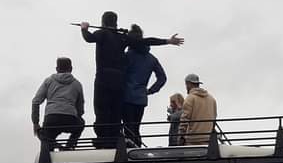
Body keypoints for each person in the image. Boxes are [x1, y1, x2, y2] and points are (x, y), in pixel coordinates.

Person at [80, 12, 183, 147]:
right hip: (125, 87)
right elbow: (146, 41)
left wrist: (84, 28)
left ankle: (104, 141)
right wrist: (167, 41)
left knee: (102, 110)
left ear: (103, 22)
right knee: (121, 117)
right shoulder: (123, 39)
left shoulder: (102, 34)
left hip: (105, 80)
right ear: (116, 22)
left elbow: (88, 38)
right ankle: (123, 142)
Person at [121, 25, 168, 146]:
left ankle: (130, 153)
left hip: (126, 96)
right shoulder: (152, 59)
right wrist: (150, 91)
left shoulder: (127, 56)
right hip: (141, 98)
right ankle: (138, 150)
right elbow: (162, 78)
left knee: (129, 128)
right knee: (136, 127)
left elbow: (120, 74)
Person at [32, 57, 85, 149]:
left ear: (57, 69)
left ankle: (53, 145)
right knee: (81, 124)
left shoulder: (49, 81)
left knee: (45, 138)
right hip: (70, 118)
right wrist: (78, 115)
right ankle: (69, 146)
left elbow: (36, 101)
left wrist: (35, 123)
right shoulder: (77, 84)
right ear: (71, 69)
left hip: (51, 118)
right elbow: (80, 108)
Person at [178, 73, 218, 145]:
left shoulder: (190, 98)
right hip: (208, 139)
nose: (186, 87)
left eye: (186, 84)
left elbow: (185, 119)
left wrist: (181, 136)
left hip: (193, 139)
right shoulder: (212, 99)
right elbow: (214, 118)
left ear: (189, 84)